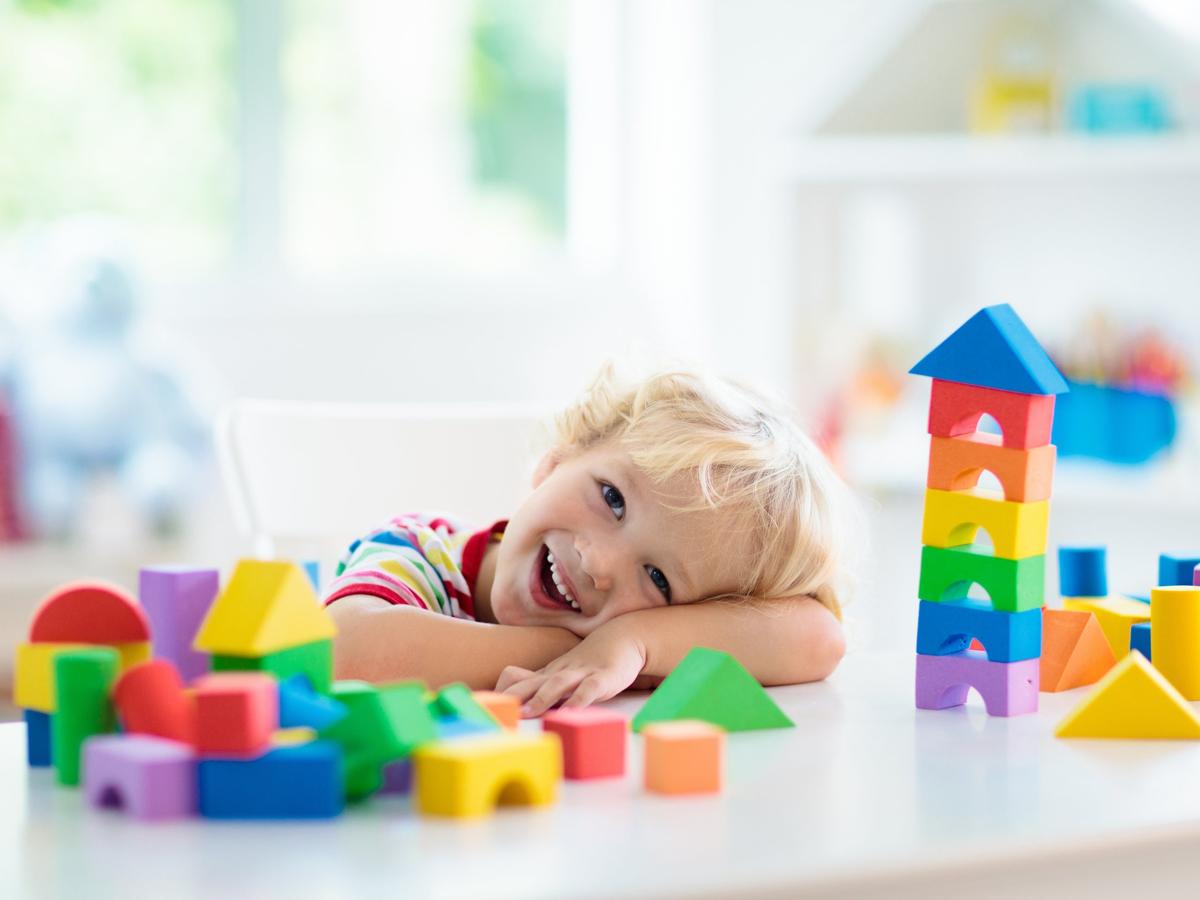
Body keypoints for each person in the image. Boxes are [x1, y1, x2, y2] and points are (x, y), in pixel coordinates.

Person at [325, 363, 854, 717]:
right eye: (613, 499)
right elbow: (343, 653)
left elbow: (820, 638)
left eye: (657, 578)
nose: (599, 562)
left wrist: (634, 642)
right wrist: (584, 650)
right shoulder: (420, 552)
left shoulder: (633, 645)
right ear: (562, 456)